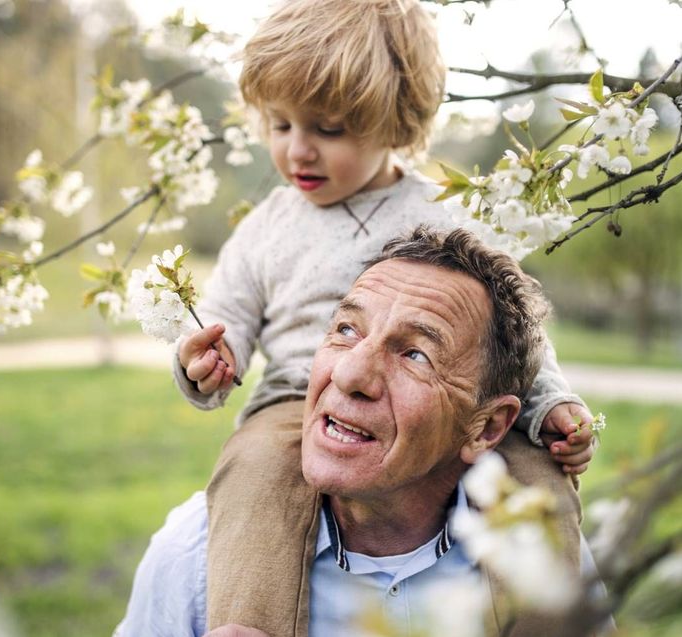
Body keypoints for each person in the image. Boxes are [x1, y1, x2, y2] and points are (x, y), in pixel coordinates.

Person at [172, 0, 598, 629]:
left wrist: (548, 404)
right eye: (280, 125)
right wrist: (205, 359)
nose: (298, 152)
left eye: (328, 129)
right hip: (299, 400)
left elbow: (515, 334)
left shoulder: (446, 212)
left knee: (537, 478)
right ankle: (248, 622)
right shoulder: (267, 226)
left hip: (443, 404)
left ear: (395, 124)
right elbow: (223, 313)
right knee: (255, 474)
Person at [120, 227, 587, 637]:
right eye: (346, 329)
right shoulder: (193, 556)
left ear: (486, 428)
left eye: (415, 355)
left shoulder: (544, 561)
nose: (349, 374)